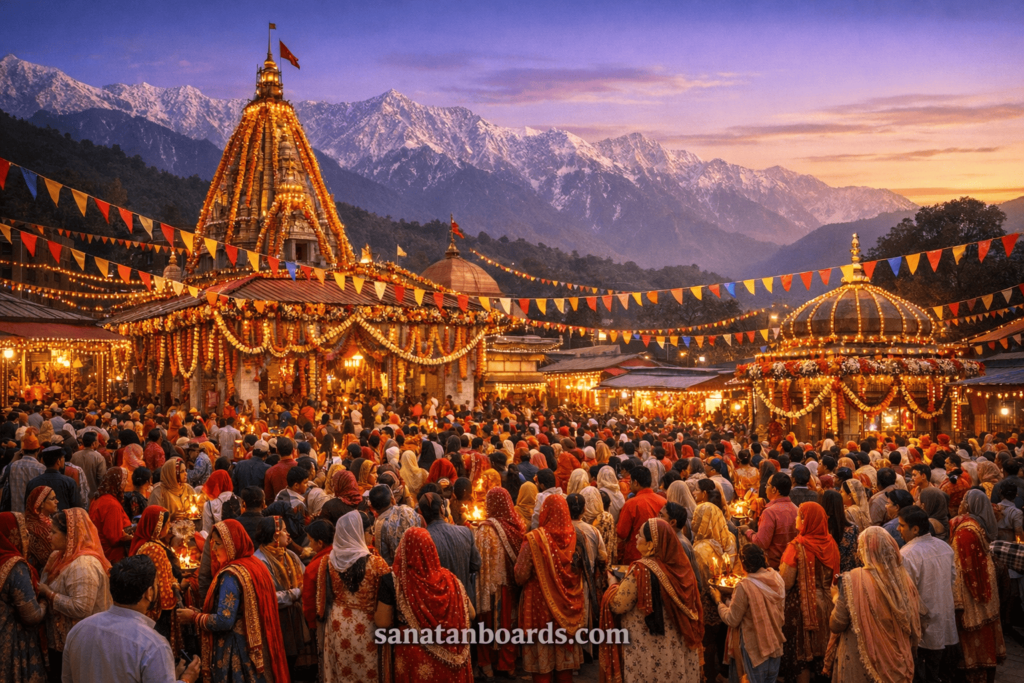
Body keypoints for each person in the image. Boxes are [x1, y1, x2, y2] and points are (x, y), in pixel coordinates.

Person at [176, 519, 290, 683]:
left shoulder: (231, 575)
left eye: (218, 544)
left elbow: (224, 621)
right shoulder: (255, 564)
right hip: (260, 647)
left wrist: (193, 617)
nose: (214, 549)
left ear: (231, 544)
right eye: (213, 544)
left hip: (238, 651)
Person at [61, 555, 201, 683]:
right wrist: (186, 679)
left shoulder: (79, 630)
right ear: (149, 593)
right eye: (157, 585)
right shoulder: (152, 645)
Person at [602, 518, 704, 683]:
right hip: (676, 645)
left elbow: (619, 605)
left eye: (640, 535)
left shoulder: (641, 570)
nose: (635, 537)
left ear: (651, 544)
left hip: (649, 648)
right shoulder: (682, 568)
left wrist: (612, 585)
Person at [374, 527, 474, 683]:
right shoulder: (450, 579)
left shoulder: (394, 581)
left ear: (404, 549)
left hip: (414, 656)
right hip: (453, 657)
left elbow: (382, 621)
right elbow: (472, 614)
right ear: (431, 549)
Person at [827, 526, 922, 683]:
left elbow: (837, 624)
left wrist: (836, 597)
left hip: (859, 664)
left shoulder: (852, 581)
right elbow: (914, 625)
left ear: (865, 550)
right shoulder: (904, 581)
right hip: (898, 663)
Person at [514, 495, 583, 683]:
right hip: (569, 606)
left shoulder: (535, 539)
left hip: (539, 606)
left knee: (542, 666)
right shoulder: (577, 537)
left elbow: (520, 574)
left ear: (546, 512)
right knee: (564, 665)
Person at [37, 508, 113, 680]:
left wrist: (49, 594)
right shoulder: (60, 557)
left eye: (54, 532)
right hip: (64, 644)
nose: (49, 537)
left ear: (70, 535)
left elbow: (81, 608)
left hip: (83, 645)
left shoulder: (83, 565)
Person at [316, 511, 389, 683]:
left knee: (343, 671)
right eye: (369, 530)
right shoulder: (377, 563)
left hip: (338, 624)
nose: (371, 534)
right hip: (368, 626)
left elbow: (321, 600)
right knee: (369, 671)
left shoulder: (327, 562)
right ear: (358, 532)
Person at [778, 502, 839, 683]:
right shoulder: (831, 543)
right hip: (828, 605)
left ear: (806, 520)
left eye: (799, 515)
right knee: (821, 655)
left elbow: (786, 582)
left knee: (802, 658)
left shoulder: (797, 547)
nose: (796, 518)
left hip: (802, 608)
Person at [950, 489, 1006, 682]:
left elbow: (960, 565)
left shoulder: (965, 531)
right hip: (984, 580)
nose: (961, 503)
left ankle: (975, 672)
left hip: (970, 587)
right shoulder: (976, 525)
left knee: (972, 628)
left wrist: (956, 597)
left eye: (965, 500)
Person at [898, 504, 958, 683]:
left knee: (924, 672)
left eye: (901, 525)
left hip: (923, 625)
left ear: (915, 529)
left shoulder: (907, 554)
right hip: (944, 617)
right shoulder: (944, 547)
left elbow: (906, 593)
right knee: (939, 669)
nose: (898, 529)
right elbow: (952, 579)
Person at [710, 544, 785, 683]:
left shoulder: (745, 586)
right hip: (775, 646)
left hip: (755, 652)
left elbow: (732, 619)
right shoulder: (777, 578)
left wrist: (719, 601)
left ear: (744, 564)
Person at [474, 487, 526, 678]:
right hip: (509, 586)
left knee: (487, 626)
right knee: (507, 625)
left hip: (489, 588)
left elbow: (478, 563)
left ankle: (487, 665)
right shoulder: (516, 525)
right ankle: (508, 664)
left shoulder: (485, 529)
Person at [253, 516, 310, 670]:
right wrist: (298, 592)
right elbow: (269, 598)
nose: (288, 534)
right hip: (275, 622)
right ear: (275, 536)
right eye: (285, 530)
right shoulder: (260, 561)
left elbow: (306, 579)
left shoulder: (289, 555)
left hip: (294, 620)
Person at [0, 511, 47, 683]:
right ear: (12, 535)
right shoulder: (15, 567)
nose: (27, 539)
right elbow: (31, 616)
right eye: (24, 534)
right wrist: (44, 601)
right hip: (12, 641)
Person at [691, 501, 735, 682]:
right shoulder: (730, 537)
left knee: (708, 645)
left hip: (708, 602)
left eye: (696, 517)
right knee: (725, 642)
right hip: (730, 599)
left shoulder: (700, 548)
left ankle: (709, 676)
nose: (693, 521)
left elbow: (700, 582)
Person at [129, 506, 182, 653]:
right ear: (156, 527)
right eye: (166, 524)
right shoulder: (154, 549)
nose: (169, 526)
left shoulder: (143, 543)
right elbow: (162, 582)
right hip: (159, 608)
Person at [420, 493, 481, 609]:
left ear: (422, 514)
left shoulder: (423, 539)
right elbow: (476, 564)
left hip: (441, 606)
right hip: (465, 604)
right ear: (442, 510)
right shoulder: (465, 532)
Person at [742, 472, 798, 569]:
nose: (765, 488)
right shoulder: (796, 509)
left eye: (767, 485)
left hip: (773, 566)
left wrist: (747, 531)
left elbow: (761, 543)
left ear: (774, 489)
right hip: (792, 565)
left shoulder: (770, 512)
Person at [615, 467, 665, 564]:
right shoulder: (663, 501)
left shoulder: (631, 504)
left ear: (636, 483)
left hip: (636, 554)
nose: (629, 485)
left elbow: (622, 532)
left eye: (630, 482)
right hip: (659, 554)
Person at [88, 467, 132, 564]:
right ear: (116, 482)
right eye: (124, 480)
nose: (127, 483)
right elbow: (114, 538)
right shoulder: (112, 504)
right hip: (111, 556)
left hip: (98, 551)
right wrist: (131, 538)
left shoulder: (97, 499)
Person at [370, 484, 422, 565]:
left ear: (372, 506)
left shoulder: (379, 524)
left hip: (397, 571)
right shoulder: (407, 510)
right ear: (391, 498)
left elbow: (383, 556)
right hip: (418, 561)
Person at [821, 489, 860, 573]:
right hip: (848, 574)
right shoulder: (853, 529)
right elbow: (855, 556)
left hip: (828, 576)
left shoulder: (821, 529)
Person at [24, 486, 57, 572]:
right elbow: (47, 559)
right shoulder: (35, 528)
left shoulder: (49, 521)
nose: (57, 501)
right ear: (41, 503)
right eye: (52, 499)